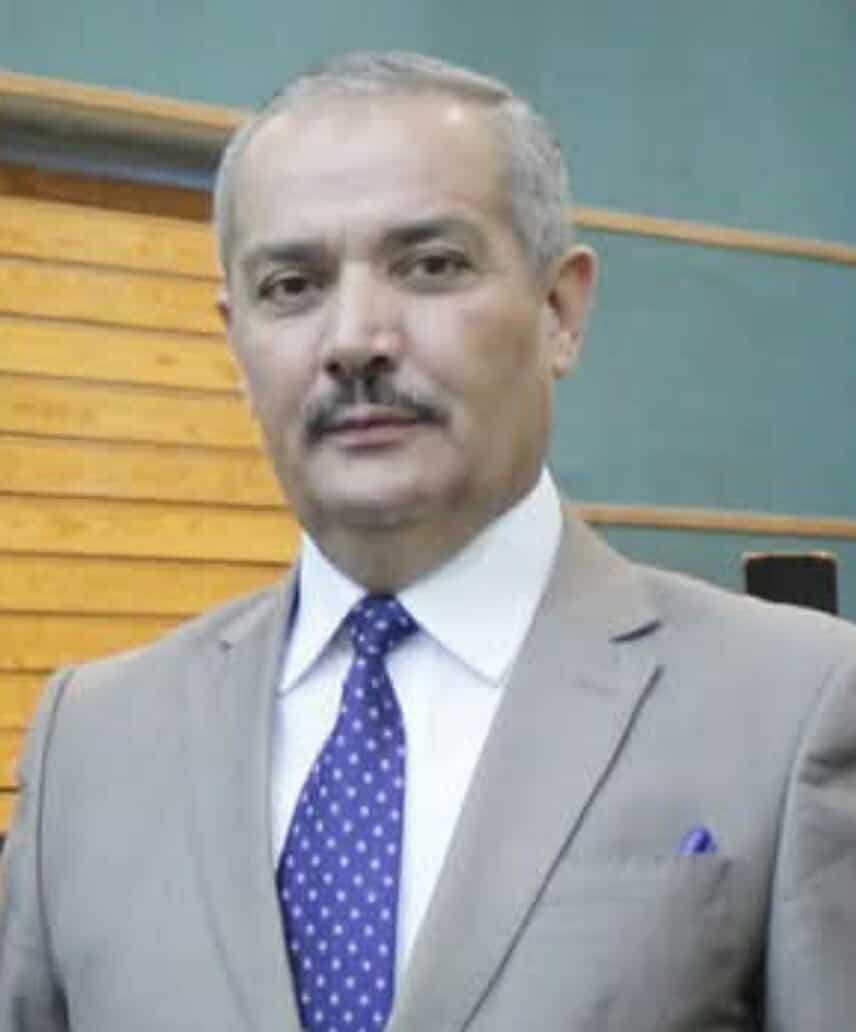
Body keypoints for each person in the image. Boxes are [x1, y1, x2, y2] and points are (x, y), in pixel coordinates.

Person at [1, 51, 855, 1032]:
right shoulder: (91, 741)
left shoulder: (795, 708)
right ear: (236, 345)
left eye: (430, 266)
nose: (354, 339)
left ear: (560, 311)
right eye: (292, 284)